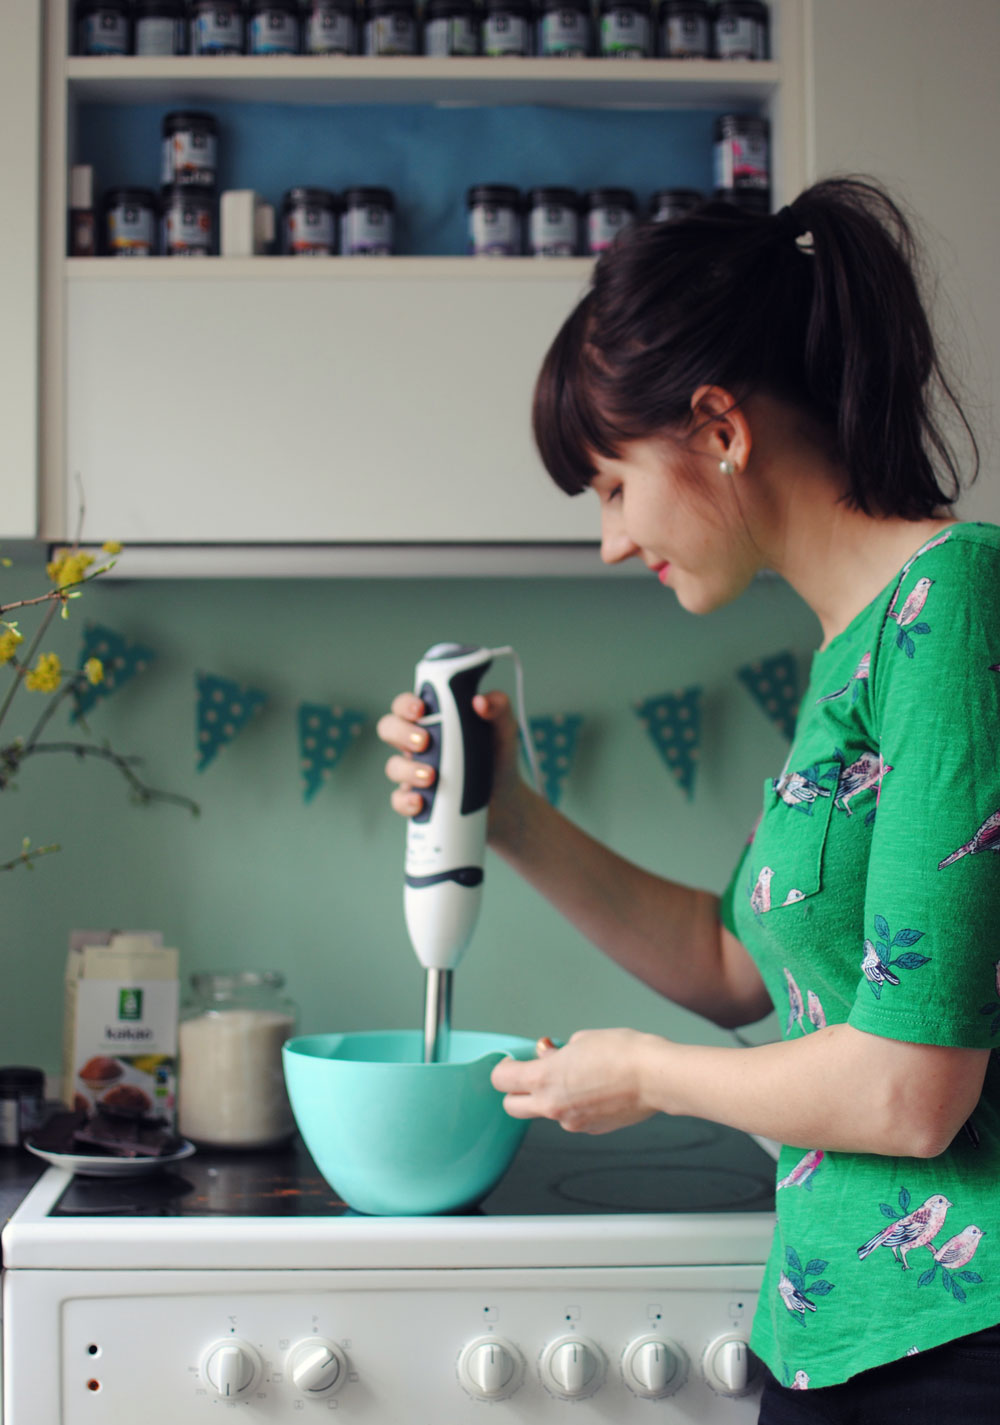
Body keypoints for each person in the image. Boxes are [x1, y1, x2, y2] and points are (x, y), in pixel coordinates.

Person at [377, 178, 1000, 1421]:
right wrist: (508, 815)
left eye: (613, 486)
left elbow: (910, 1093)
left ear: (718, 426)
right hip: (826, 1335)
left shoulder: (956, 603)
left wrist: (649, 1075)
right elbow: (735, 959)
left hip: (955, 1348)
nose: (610, 540)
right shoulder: (850, 648)